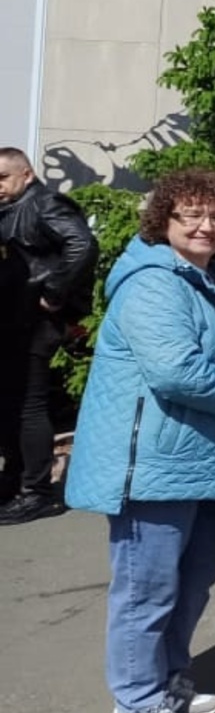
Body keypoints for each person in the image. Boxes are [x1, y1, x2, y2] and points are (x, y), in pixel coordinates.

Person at [64, 168, 215, 713]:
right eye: (191, 215)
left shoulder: (208, 281)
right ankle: (134, 708)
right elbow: (175, 370)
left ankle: (166, 682)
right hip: (152, 464)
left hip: (201, 460)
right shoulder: (153, 283)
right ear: (163, 221)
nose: (206, 226)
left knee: (192, 582)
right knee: (147, 588)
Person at [0, 146, 97, 524]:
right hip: (12, 320)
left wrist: (54, 293)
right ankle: (15, 478)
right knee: (9, 403)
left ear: (27, 174)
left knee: (29, 404)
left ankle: (37, 492)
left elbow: (83, 244)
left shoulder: (44, 203)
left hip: (36, 322)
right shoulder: (12, 208)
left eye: (3, 177)